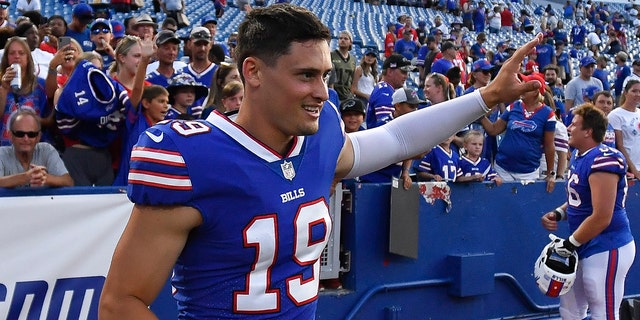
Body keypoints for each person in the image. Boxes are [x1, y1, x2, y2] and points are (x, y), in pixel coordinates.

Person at [98, 4, 545, 318]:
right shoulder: (187, 154)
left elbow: (396, 136)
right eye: (306, 75)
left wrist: (487, 97)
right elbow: (121, 303)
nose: (322, 92)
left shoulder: (322, 131)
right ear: (252, 72)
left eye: (326, 75)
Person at [540, 104, 635, 320]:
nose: (569, 127)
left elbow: (602, 215)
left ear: (588, 131)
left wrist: (569, 244)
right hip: (583, 242)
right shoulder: (580, 155)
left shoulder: (604, 158)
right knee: (570, 309)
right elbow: (580, 201)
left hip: (607, 244)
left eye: (574, 124)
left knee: (604, 312)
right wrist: (558, 213)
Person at [480, 72, 556, 192]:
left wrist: (551, 174)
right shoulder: (514, 106)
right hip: (502, 168)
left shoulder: (548, 114)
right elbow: (494, 130)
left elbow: (549, 145)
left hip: (528, 172)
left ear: (536, 91)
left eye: (526, 86)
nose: (522, 88)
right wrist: (480, 115)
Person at [113, 85, 169, 186]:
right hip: (125, 185)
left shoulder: (165, 130)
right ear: (146, 103)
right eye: (161, 101)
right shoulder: (135, 120)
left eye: (167, 102)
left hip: (150, 185)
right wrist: (142, 68)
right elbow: (137, 89)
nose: (166, 106)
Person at [0, 109, 72, 188]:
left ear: (38, 137)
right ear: (10, 135)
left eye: (31, 134)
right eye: (20, 134)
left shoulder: (47, 150)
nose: (26, 139)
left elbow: (68, 182)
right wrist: (25, 177)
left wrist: (44, 178)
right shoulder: (2, 154)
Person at [0, 37, 49, 146]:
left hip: (33, 148)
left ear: (28, 58)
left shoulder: (40, 84)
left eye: (21, 53)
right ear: (6, 58)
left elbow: (50, 120)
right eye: (12, 53)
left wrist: (30, 120)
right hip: (5, 149)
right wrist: (3, 89)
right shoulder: (1, 84)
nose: (16, 56)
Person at [365, 53, 411, 129]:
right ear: (390, 72)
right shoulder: (384, 92)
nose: (406, 76)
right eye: (403, 72)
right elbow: (386, 127)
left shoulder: (385, 89)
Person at [607, 79, 640, 179]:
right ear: (625, 93)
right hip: (629, 169)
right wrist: (633, 169)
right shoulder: (616, 115)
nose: (638, 94)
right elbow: (619, 145)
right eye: (634, 91)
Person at [331, 30, 356, 101]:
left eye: (345, 39)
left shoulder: (352, 60)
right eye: (340, 38)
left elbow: (353, 79)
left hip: (346, 96)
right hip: (333, 94)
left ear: (350, 42)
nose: (342, 40)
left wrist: (351, 93)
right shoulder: (331, 55)